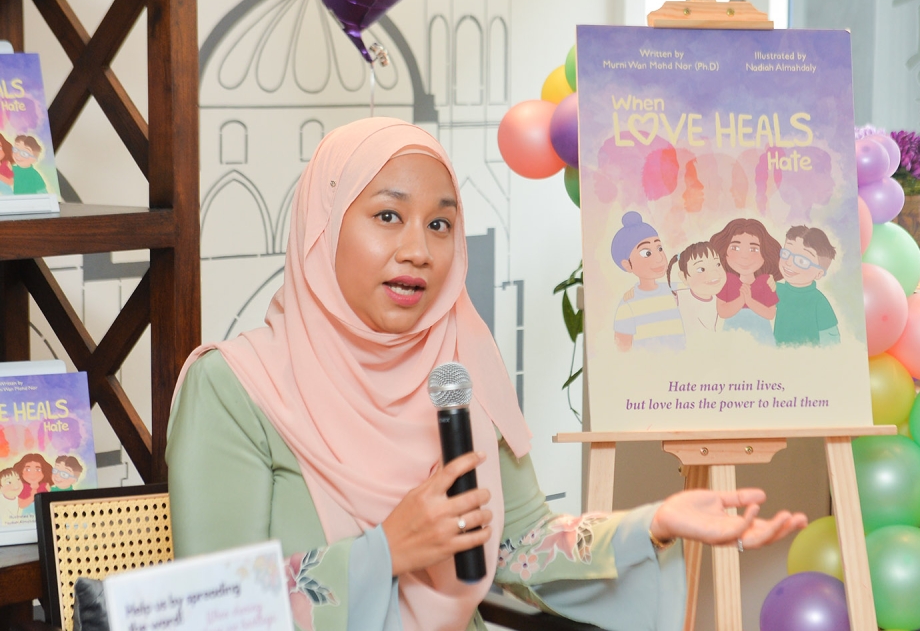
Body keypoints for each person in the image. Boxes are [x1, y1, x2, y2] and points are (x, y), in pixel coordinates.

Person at [166, 118, 807, 631]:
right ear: (321, 231)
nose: (418, 248)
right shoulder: (234, 387)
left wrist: (655, 522)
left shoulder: (459, 368)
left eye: (440, 223)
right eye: (388, 215)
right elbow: (210, 609)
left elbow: (520, 547)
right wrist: (386, 551)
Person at [610, 212, 685, 352]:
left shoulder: (673, 289)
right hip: (648, 369)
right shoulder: (628, 305)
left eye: (660, 248)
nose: (659, 258)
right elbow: (622, 350)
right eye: (646, 253)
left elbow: (701, 289)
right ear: (627, 265)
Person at [709, 218, 782, 346]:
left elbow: (771, 314)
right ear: (724, 251)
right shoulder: (727, 280)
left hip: (762, 338)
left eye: (753, 249)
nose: (744, 256)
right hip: (732, 338)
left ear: (765, 253)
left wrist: (750, 301)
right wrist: (741, 300)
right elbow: (722, 312)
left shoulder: (765, 281)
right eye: (735, 248)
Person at [773, 225, 840, 346]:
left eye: (802, 261)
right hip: (778, 357)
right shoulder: (777, 289)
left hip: (809, 359)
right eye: (786, 254)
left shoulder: (819, 302)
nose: (788, 262)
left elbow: (831, 338)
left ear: (819, 273)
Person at [666, 242, 726, 339]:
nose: (714, 272)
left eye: (717, 264)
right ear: (684, 277)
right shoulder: (679, 297)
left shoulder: (722, 302)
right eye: (701, 269)